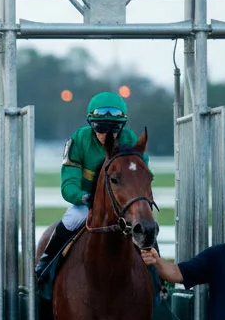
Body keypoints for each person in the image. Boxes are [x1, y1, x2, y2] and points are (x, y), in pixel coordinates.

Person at [36, 91, 148, 280]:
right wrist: (84, 197)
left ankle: (158, 278)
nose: (107, 135)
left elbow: (140, 176)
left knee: (146, 226)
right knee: (70, 220)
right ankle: (45, 266)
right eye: (100, 128)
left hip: (122, 205)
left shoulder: (130, 138)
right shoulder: (79, 139)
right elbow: (69, 183)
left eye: (114, 129)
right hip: (87, 204)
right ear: (90, 123)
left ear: (122, 127)